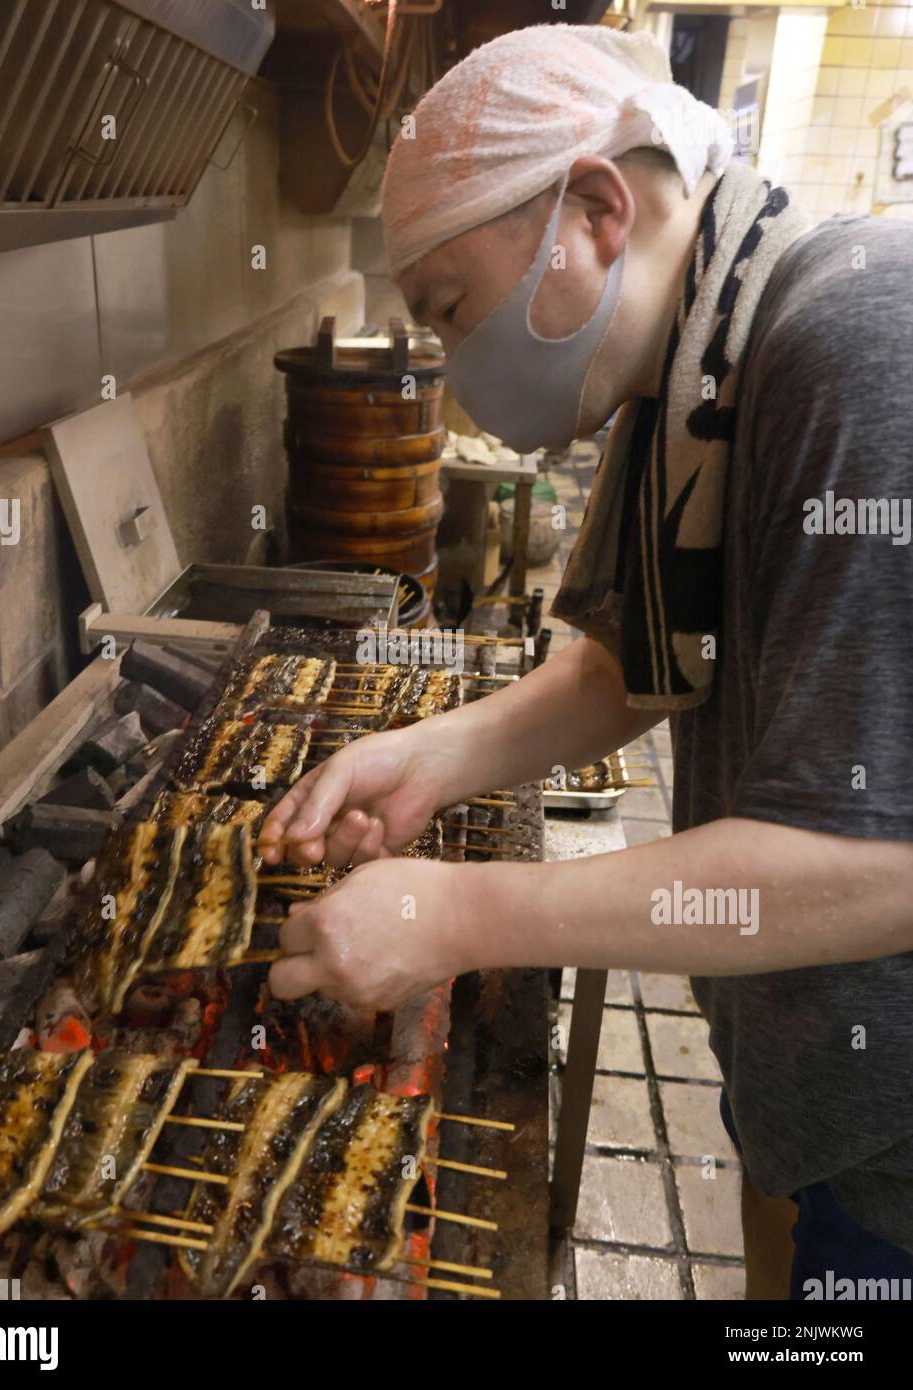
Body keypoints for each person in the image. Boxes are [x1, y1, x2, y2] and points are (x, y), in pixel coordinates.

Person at [258, 26, 913, 1298]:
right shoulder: (692, 367)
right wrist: (431, 757)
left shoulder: (856, 338)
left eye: (450, 311)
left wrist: (457, 915)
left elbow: (880, 863)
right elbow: (634, 666)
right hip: (810, 1083)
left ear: (598, 212)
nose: (453, 369)